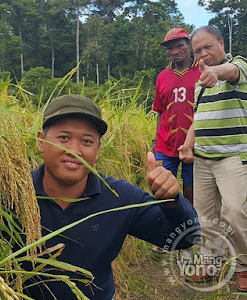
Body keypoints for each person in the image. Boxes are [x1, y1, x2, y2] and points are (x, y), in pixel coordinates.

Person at [24, 94, 200, 299]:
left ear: (97, 149)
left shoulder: (119, 197)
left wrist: (172, 201)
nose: (74, 150)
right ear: (41, 141)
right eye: (64, 138)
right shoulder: (11, 196)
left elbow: (187, 237)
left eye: (87, 141)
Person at [178, 25, 247, 291]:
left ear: (221, 43)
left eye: (208, 47)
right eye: (198, 51)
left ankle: (243, 264)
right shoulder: (200, 85)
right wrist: (187, 144)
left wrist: (215, 72)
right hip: (203, 158)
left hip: (233, 157)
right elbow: (198, 118)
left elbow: (230, 72)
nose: (203, 54)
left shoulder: (238, 66)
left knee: (235, 211)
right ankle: (212, 262)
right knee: (205, 216)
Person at [152, 28, 201, 205]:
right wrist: (155, 140)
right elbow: (160, 111)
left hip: (195, 145)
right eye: (170, 48)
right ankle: (170, 224)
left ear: (189, 45)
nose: (174, 52)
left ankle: (193, 224)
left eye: (179, 46)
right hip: (165, 145)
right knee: (162, 187)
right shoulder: (163, 76)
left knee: (192, 188)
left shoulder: (202, 72)